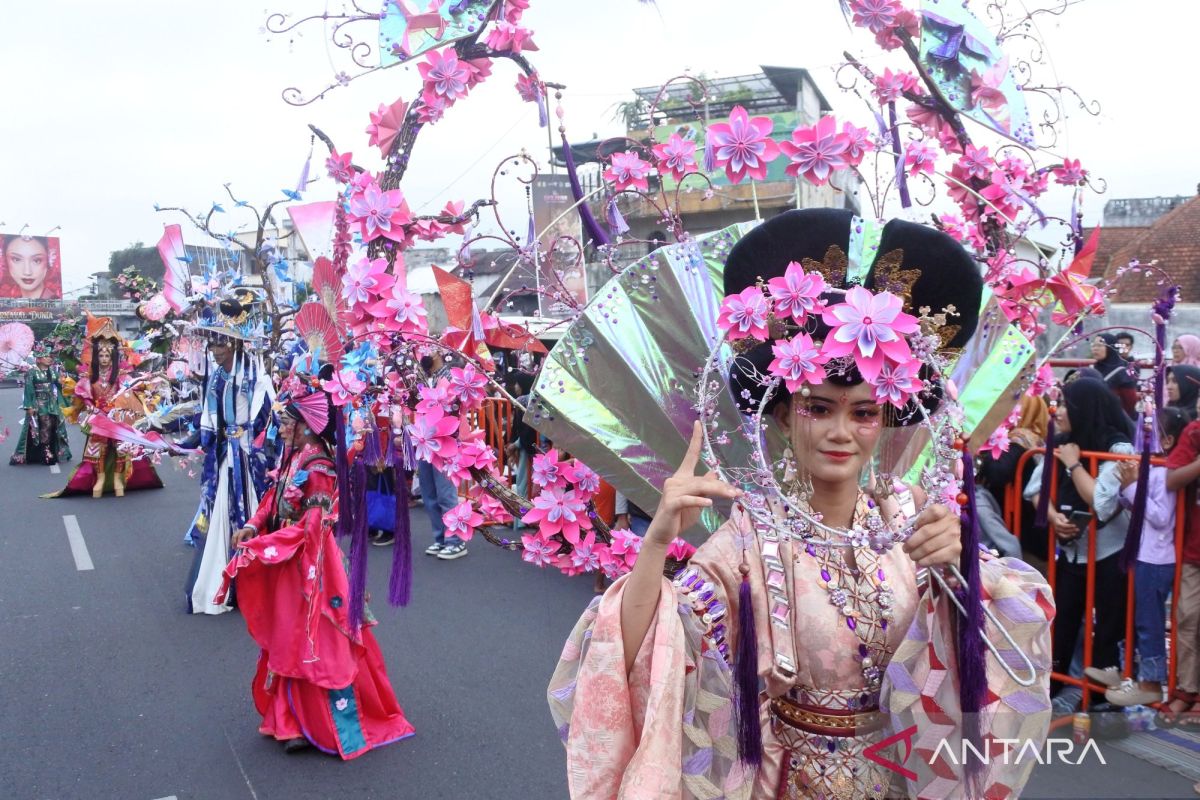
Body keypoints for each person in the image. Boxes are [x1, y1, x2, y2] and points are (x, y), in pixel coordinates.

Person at [548, 210, 1053, 799]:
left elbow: (1004, 649)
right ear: (785, 415)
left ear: (885, 418)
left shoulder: (910, 517)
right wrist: (657, 541)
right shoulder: (748, 539)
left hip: (899, 776)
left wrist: (962, 570)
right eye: (819, 407)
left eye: (863, 412)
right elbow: (642, 657)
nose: (842, 431)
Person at [220, 376, 415, 758]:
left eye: (286, 421)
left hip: (312, 564)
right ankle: (289, 718)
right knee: (285, 637)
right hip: (288, 561)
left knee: (312, 641)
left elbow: (312, 528)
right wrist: (251, 527)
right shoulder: (292, 458)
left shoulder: (320, 467)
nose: (281, 428)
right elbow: (272, 501)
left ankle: (318, 723)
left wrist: (265, 545)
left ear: (307, 426)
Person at [1025, 378, 1133, 714]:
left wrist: (1073, 464)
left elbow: (1101, 502)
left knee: (1109, 625)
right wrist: (1055, 517)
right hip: (1072, 550)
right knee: (1064, 617)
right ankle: (1052, 685)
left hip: (1110, 551)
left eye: (1065, 404)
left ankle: (1101, 697)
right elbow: (1034, 488)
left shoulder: (1119, 449)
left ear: (1086, 408)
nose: (1056, 411)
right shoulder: (1062, 441)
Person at [179, 292, 276, 615]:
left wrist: (249, 441)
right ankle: (227, 582)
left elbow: (267, 414)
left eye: (220, 345)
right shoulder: (218, 376)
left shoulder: (256, 374)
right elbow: (209, 414)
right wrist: (198, 439)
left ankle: (257, 580)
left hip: (249, 457)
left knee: (253, 509)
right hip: (226, 458)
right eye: (213, 345)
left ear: (233, 344)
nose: (215, 351)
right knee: (222, 512)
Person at [1103, 407, 1184, 708]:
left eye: (1148, 434)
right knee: (1139, 619)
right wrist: (1127, 488)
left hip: (1157, 558)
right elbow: (1135, 507)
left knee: (1149, 623)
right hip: (1144, 554)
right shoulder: (1151, 468)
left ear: (1168, 439)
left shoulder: (1164, 471)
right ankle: (1135, 676)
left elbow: (1160, 517)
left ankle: (1151, 683)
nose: (1141, 439)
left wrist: (1132, 487)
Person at [45, 315, 163, 497]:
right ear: (96, 356)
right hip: (98, 416)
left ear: (113, 356)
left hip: (115, 416)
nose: (104, 358)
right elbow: (83, 394)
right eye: (101, 355)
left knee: (121, 445)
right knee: (97, 447)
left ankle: (117, 479)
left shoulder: (120, 374)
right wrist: (90, 407)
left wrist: (131, 399)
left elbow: (128, 390)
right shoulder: (89, 375)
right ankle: (99, 479)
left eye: (107, 355)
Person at [976, 394, 1049, 564]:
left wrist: (986, 448)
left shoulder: (1021, 439)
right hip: (1023, 524)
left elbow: (997, 473)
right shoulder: (1032, 439)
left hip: (1024, 529)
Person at [1164, 403, 1200, 727]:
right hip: (1194, 549)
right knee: (1187, 616)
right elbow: (1172, 479)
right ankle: (1187, 691)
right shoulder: (1195, 432)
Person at [416, 352, 467, 560]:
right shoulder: (420, 377)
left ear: (439, 353)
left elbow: (455, 408)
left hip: (445, 441)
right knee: (428, 494)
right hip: (424, 439)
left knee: (446, 494)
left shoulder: (450, 376)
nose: (424, 354)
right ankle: (440, 538)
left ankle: (455, 540)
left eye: (429, 349)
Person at [9, 344, 72, 465]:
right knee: (44, 427)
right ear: (39, 359)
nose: (50, 358)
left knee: (55, 426)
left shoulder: (52, 372)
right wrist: (29, 406)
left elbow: (62, 386)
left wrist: (72, 386)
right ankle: (46, 453)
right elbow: (28, 390)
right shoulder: (32, 372)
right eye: (46, 356)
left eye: (50, 356)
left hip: (52, 404)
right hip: (39, 404)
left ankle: (54, 451)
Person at [1091, 332, 1138, 417]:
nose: (1095, 349)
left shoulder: (1122, 373)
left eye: (1100, 345)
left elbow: (1130, 403)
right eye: (1094, 345)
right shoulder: (1092, 369)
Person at [0, 235, 61, 300]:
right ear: (5, 261)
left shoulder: (57, 306)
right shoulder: (8, 305)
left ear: (49, 260)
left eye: (37, 260)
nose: (27, 272)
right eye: (16, 259)